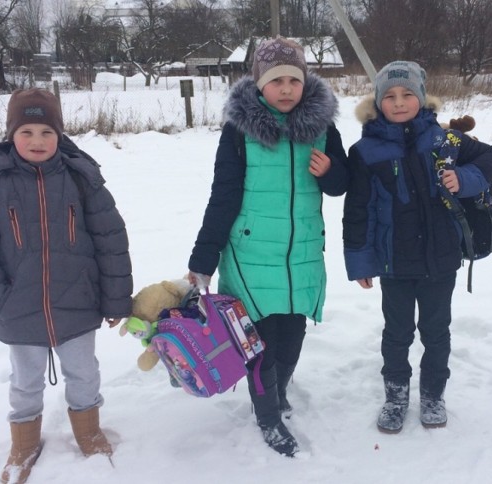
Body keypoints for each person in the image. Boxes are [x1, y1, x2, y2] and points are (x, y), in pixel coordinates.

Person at [188, 36, 348, 457]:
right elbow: (223, 195)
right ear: (260, 84)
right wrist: (203, 258)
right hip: (250, 255)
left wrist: (331, 171)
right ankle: (268, 416)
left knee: (292, 340)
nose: (286, 89)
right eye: (276, 81)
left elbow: (342, 185)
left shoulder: (323, 129)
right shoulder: (239, 133)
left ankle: (278, 391)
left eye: (293, 80)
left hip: (301, 256)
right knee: (259, 347)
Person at [343, 61, 492, 433]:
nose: (399, 102)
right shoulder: (365, 151)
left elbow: (488, 157)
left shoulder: (445, 139)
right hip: (394, 264)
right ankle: (396, 397)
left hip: (441, 259)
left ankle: (432, 394)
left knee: (436, 331)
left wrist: (464, 178)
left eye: (408, 94)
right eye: (390, 96)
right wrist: (362, 262)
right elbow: (357, 210)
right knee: (396, 334)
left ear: (422, 98)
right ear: (378, 103)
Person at [0, 88, 133, 484]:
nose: (37, 141)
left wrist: (115, 301)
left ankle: (88, 430)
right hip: (18, 307)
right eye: (27, 132)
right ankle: (23, 442)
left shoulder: (81, 177)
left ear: (59, 134)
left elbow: (111, 240)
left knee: (83, 372)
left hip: (77, 302)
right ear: (11, 135)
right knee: (24, 381)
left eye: (46, 132)